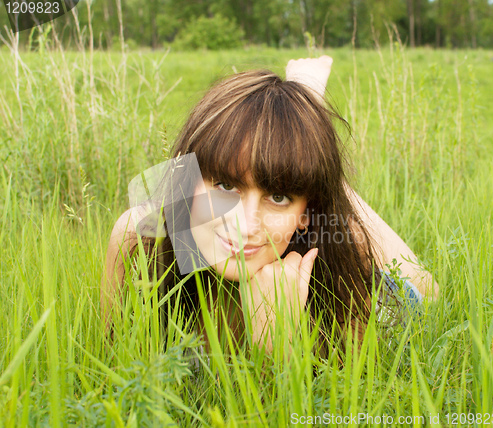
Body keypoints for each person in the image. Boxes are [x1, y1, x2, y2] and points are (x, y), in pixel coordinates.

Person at [101, 56, 438, 354]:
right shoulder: (139, 238)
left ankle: (310, 147)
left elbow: (339, 403)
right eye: (225, 185)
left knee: (429, 292)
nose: (246, 226)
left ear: (306, 213)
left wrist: (281, 351)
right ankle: (301, 135)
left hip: (375, 287)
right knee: (285, 166)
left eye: (279, 197)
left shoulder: (341, 257)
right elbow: (112, 377)